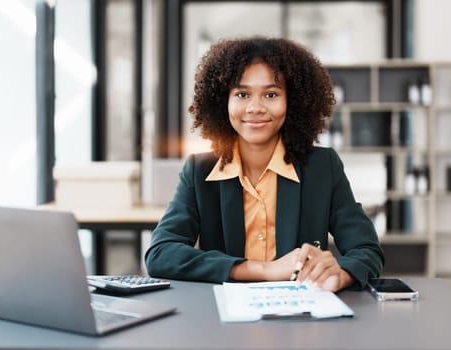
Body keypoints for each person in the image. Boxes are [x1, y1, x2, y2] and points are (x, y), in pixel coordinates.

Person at [145, 37, 384, 292]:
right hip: (222, 319)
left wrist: (340, 274)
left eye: (271, 94)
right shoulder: (199, 171)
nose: (255, 107)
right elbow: (161, 253)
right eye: (242, 94)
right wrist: (265, 270)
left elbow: (367, 250)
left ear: (293, 102)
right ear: (222, 102)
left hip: (302, 317)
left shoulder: (323, 167)